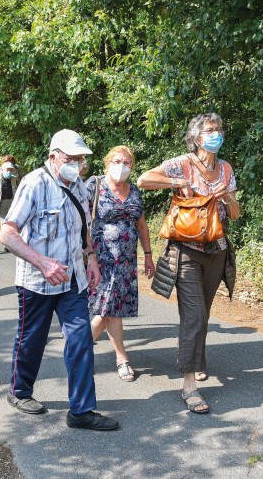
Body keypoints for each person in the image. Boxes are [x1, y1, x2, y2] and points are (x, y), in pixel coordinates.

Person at [0, 129, 119, 431]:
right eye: (71, 158)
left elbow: (83, 229)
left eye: (80, 159)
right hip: (37, 282)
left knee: (80, 340)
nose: (77, 164)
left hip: (73, 281)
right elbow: (7, 233)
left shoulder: (78, 185)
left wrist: (90, 259)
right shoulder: (33, 184)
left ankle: (80, 411)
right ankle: (19, 390)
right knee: (32, 340)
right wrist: (42, 263)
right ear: (53, 157)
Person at [137, 112, 240, 414]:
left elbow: (234, 213)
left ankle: (198, 363)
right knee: (193, 315)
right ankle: (189, 385)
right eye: (209, 130)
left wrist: (225, 198)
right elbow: (143, 179)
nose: (215, 134)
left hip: (217, 249)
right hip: (186, 249)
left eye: (218, 129)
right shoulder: (182, 162)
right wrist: (177, 181)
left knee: (203, 313)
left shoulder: (225, 168)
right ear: (196, 137)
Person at [87, 146, 154, 382]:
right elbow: (79, 223)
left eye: (127, 163)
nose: (122, 166)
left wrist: (148, 254)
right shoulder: (93, 187)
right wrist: (87, 256)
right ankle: (79, 349)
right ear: (106, 163)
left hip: (126, 261)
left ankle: (120, 357)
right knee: (106, 309)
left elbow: (142, 225)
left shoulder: (134, 190)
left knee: (112, 309)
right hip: (100, 260)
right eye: (117, 161)